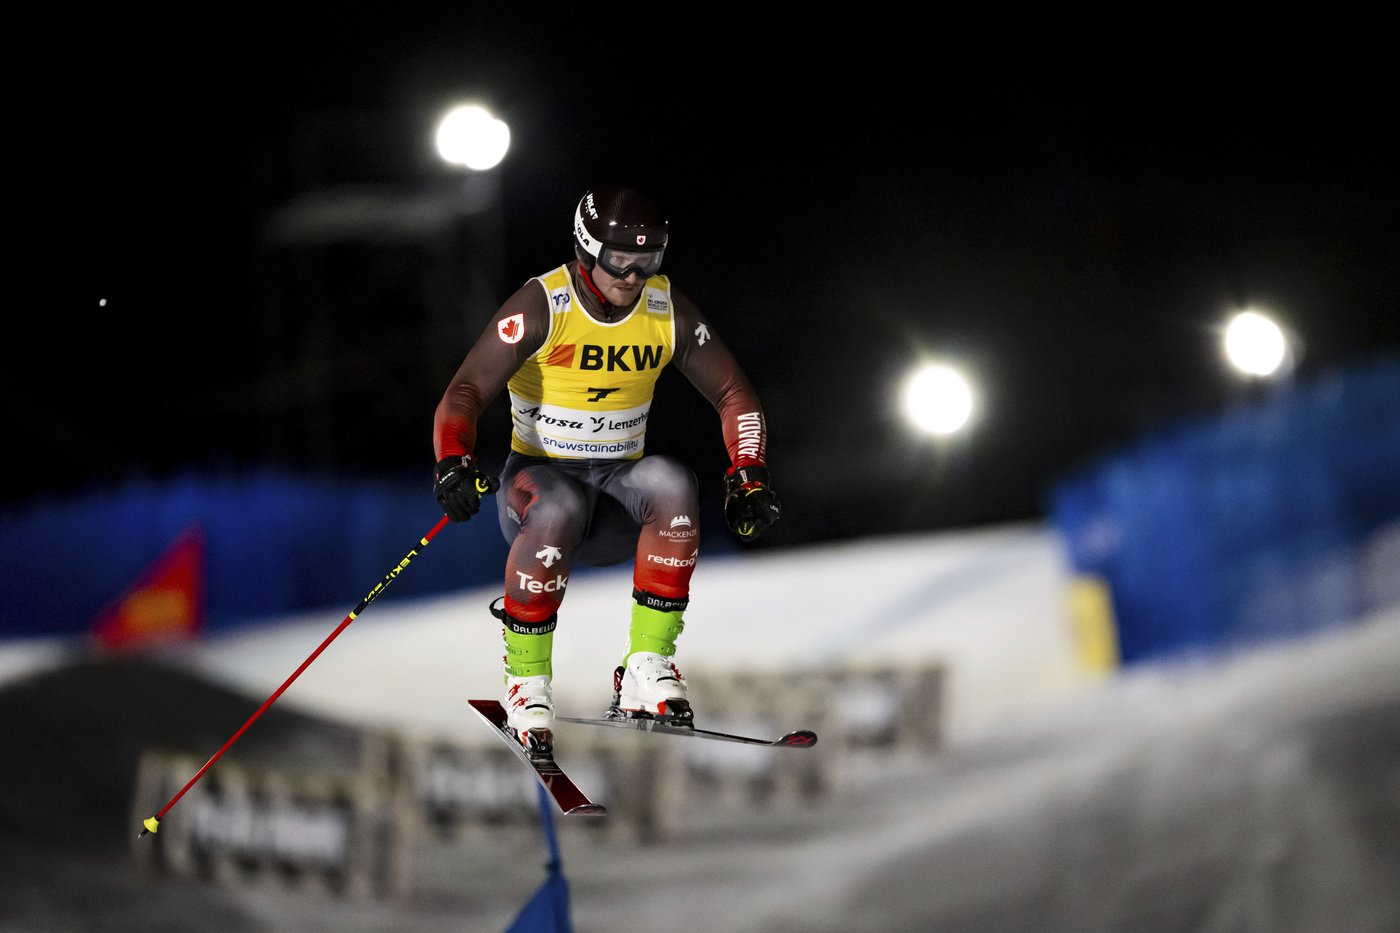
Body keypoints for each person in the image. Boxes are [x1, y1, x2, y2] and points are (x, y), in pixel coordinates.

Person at [431, 184, 781, 750]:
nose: (633, 277)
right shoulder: (543, 304)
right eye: (621, 261)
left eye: (648, 262)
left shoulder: (664, 308)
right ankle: (526, 682)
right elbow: (465, 391)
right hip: (539, 484)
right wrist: (453, 462)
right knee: (560, 503)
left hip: (618, 496)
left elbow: (734, 393)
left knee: (672, 482)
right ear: (587, 248)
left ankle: (646, 667)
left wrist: (749, 471)